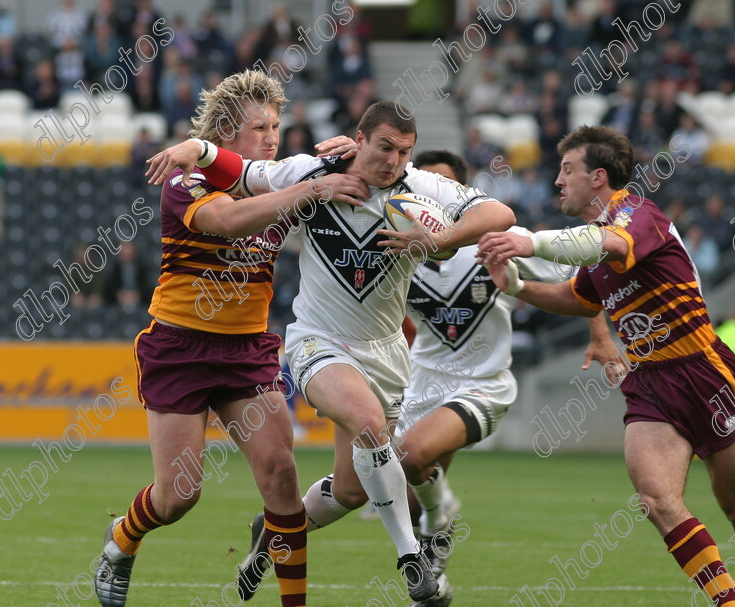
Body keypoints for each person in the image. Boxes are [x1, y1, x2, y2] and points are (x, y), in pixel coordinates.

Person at [145, 101, 516, 603]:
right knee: (369, 425)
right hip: (317, 340)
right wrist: (198, 147)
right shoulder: (312, 172)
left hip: (384, 352)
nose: (393, 160)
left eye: (403, 151)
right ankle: (412, 557)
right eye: (384, 147)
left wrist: (438, 238)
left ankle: (268, 537)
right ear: (359, 139)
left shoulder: (420, 187)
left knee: (350, 489)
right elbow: (240, 170)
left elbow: (500, 212)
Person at [234, 150, 619, 607]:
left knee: (409, 457)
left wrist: (599, 335)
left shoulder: (491, 240)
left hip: (482, 385)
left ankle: (436, 529)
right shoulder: (395, 241)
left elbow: (582, 275)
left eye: (437, 197)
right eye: (416, 192)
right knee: (354, 490)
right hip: (415, 384)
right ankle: (285, 526)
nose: (420, 208)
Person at [477, 125, 735, 607]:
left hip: (703, 370)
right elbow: (577, 298)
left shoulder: (636, 214)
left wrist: (531, 244)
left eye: (567, 170)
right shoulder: (595, 246)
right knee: (657, 501)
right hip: (650, 382)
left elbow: (614, 246)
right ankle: (731, 602)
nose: (558, 181)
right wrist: (516, 286)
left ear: (598, 177)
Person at [93, 69, 369, 607]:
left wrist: (350, 152)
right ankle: (120, 542)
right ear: (224, 132)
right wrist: (312, 187)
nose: (272, 137)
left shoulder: (282, 178)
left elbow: (377, 165)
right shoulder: (186, 179)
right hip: (180, 349)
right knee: (178, 497)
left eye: (276, 125)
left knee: (281, 475)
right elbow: (228, 220)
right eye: (259, 127)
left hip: (246, 350)